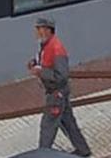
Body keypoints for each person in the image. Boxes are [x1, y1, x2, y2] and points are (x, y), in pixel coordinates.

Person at [28, 18, 91, 157]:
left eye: (39, 29)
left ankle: (42, 154)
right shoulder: (45, 44)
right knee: (68, 122)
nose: (36, 32)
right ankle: (83, 150)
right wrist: (35, 63)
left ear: (47, 30)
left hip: (56, 94)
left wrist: (40, 71)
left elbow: (61, 75)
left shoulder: (56, 49)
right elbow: (46, 62)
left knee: (48, 126)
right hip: (57, 92)